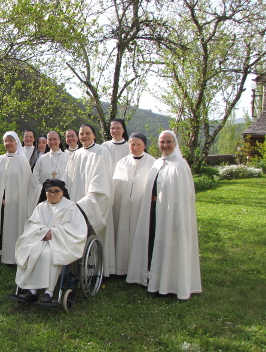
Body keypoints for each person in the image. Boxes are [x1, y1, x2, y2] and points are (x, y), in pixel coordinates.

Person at [127, 131, 202, 300]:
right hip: (154, 211)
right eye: (162, 142)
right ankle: (153, 279)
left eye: (168, 142)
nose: (165, 145)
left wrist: (177, 218)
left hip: (171, 215)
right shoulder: (158, 163)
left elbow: (184, 198)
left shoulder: (180, 166)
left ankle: (169, 283)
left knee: (169, 246)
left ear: (175, 143)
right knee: (154, 244)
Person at [14, 179, 87, 303]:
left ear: (62, 192)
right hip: (40, 238)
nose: (52, 194)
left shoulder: (70, 206)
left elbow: (76, 228)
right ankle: (32, 290)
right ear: (45, 192)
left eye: (56, 191)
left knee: (48, 254)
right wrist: (42, 232)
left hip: (61, 241)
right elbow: (32, 224)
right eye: (49, 191)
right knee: (31, 251)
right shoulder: (41, 206)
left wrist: (54, 233)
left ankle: (49, 291)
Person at [63, 124, 115, 276]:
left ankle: (92, 271)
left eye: (87, 133)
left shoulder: (101, 151)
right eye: (81, 134)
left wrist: (87, 203)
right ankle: (74, 270)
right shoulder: (76, 154)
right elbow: (67, 178)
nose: (84, 136)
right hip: (75, 203)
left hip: (90, 204)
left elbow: (101, 180)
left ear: (94, 135)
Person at [0, 131, 32, 265]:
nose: (8, 143)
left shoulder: (23, 161)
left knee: (13, 227)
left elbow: (25, 183)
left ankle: (11, 256)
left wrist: (12, 198)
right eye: (6, 141)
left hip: (16, 202)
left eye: (11, 140)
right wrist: (0, 197)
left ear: (17, 142)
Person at [112, 133, 155, 275]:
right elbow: (116, 186)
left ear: (144, 146)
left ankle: (138, 269)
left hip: (141, 207)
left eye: (138, 144)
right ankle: (121, 268)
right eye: (132, 144)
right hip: (123, 206)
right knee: (122, 232)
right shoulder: (122, 163)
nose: (135, 147)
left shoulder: (152, 163)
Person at [30, 131, 70, 205]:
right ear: (47, 142)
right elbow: (35, 179)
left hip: (63, 198)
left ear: (59, 141)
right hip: (45, 198)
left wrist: (60, 192)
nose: (52, 142)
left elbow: (71, 178)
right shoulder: (42, 159)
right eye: (50, 139)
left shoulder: (68, 158)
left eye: (55, 139)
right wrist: (45, 191)